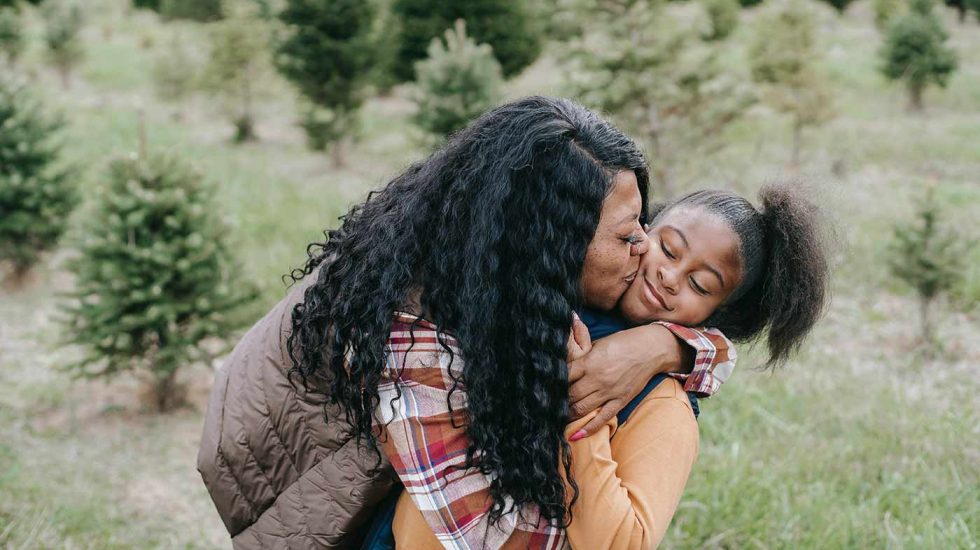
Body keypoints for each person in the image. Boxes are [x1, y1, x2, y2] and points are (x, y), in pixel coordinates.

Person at [197, 96, 732, 549]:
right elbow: (495, 537)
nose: (646, 249)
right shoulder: (414, 340)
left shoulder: (494, 271)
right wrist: (583, 419)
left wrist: (669, 347)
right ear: (550, 246)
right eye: (626, 236)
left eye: (644, 221)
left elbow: (717, 341)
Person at [385, 183, 830, 548]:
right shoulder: (562, 287)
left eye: (698, 284)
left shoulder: (664, 406)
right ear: (642, 230)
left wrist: (584, 416)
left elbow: (622, 543)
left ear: (718, 312)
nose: (669, 277)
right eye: (668, 250)